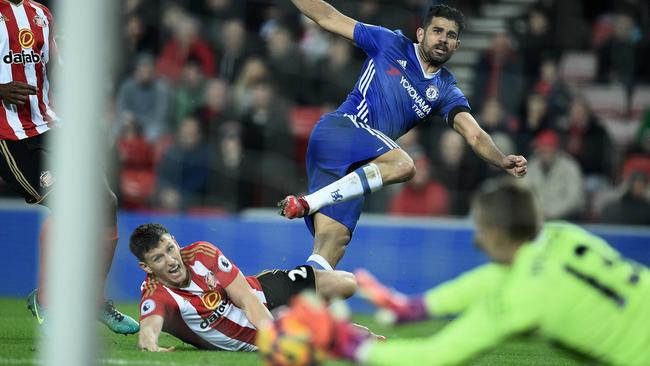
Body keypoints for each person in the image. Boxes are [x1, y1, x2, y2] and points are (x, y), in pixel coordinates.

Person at [284, 178, 650, 365]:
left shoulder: (521, 298)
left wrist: (345, 344)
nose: (477, 240)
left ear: (497, 233)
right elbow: (491, 277)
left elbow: (434, 355)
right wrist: (416, 307)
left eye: (481, 229)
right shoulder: (563, 235)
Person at [277, 2, 528, 271]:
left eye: (451, 35)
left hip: (354, 169)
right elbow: (328, 17)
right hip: (341, 130)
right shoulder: (390, 43)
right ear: (420, 34)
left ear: (457, 46)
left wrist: (502, 161)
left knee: (330, 250)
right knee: (405, 165)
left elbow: (475, 134)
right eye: (437, 31)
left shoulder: (445, 90)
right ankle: (307, 202)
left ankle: (294, 308)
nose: (443, 39)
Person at [0, 0, 138, 334]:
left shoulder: (41, 13)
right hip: (11, 137)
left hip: (51, 126)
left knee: (105, 202)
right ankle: (48, 299)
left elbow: (57, 69)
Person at [129, 223, 357, 352]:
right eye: (158, 258)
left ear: (176, 242)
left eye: (170, 248)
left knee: (347, 283)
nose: (170, 260)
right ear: (146, 267)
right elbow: (149, 327)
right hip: (246, 335)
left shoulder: (202, 253)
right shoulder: (156, 293)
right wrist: (150, 344)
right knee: (346, 340)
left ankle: (307, 316)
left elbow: (246, 297)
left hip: (262, 293)